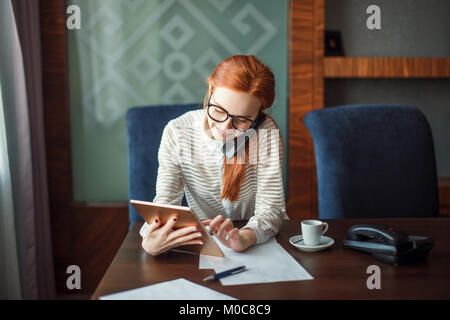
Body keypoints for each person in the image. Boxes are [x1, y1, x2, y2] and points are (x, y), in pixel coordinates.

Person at [140, 55, 287, 256]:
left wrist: (243, 238)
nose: (225, 128)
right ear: (210, 92)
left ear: (258, 117)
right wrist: (150, 238)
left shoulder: (264, 135)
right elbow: (164, 204)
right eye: (218, 110)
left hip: (257, 243)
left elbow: (271, 210)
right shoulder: (178, 132)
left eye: (242, 120)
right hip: (203, 242)